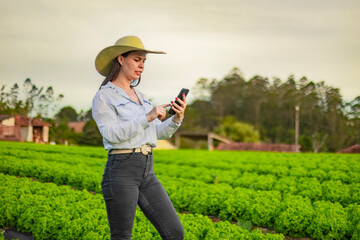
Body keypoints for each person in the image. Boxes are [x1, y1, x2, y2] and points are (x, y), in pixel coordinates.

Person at [92, 36, 186, 240]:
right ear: (120, 59)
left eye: (144, 61)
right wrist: (148, 116)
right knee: (122, 236)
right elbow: (110, 134)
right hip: (121, 170)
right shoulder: (104, 97)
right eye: (137, 59)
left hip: (147, 171)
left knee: (175, 233)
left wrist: (176, 119)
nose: (142, 65)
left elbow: (156, 133)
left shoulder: (141, 97)